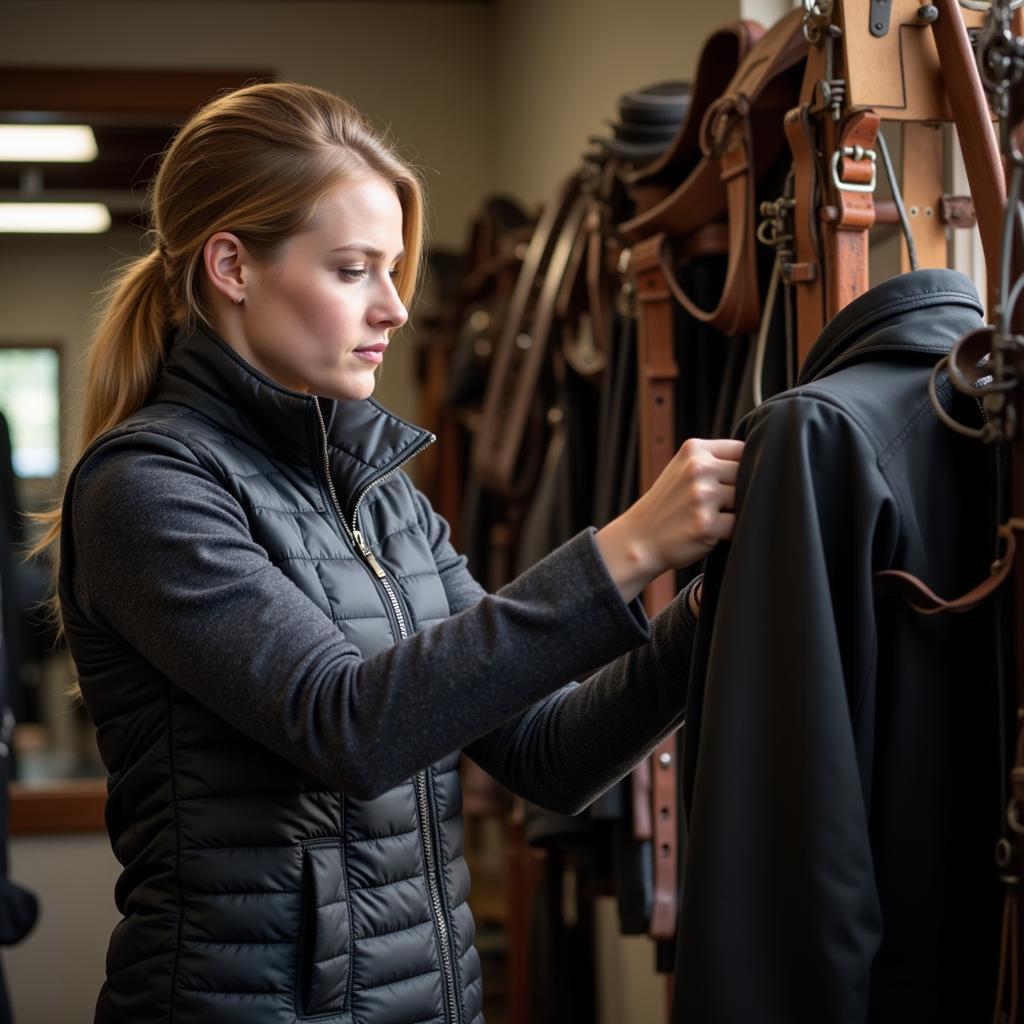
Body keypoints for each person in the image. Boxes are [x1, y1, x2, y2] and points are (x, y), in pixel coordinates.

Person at [44, 82, 742, 1024]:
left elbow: (549, 752)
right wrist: (628, 548)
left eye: (394, 269)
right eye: (352, 269)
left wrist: (710, 608)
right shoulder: (148, 491)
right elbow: (352, 728)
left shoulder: (380, 496)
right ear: (231, 266)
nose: (395, 308)